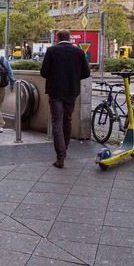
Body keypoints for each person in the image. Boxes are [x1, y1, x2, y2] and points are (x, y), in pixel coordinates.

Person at [40, 29, 90, 168]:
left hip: (55, 91)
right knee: (67, 120)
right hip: (72, 91)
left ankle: (60, 157)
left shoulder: (52, 51)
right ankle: (65, 148)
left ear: (57, 38)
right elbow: (86, 73)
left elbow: (43, 72)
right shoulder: (79, 52)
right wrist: (72, 78)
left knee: (57, 121)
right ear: (70, 38)